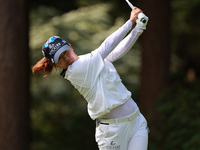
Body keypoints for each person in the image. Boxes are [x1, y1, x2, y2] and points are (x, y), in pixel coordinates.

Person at [32, 7, 149, 150]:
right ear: (55, 64)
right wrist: (130, 22)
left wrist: (138, 29)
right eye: (60, 59)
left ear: (69, 46)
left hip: (136, 121)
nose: (66, 58)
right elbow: (108, 46)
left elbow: (115, 53)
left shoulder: (89, 60)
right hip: (113, 133)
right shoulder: (77, 70)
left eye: (65, 52)